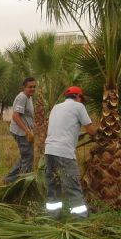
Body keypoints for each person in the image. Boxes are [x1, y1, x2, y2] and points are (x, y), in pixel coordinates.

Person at [44, 86, 96, 219]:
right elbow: (91, 131)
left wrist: (79, 134)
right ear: (78, 97)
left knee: (53, 186)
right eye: (81, 99)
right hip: (64, 153)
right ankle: (80, 220)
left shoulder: (56, 107)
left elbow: (64, 129)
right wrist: (100, 137)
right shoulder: (79, 107)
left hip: (49, 151)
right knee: (73, 186)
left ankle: (52, 217)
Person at [3, 77, 36, 184]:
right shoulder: (22, 97)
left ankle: (9, 180)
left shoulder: (29, 97)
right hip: (21, 133)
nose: (32, 89)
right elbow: (15, 116)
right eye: (30, 87)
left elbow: (27, 116)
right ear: (24, 87)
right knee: (27, 157)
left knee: (25, 157)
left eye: (34, 87)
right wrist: (27, 131)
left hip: (25, 132)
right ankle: (24, 183)